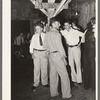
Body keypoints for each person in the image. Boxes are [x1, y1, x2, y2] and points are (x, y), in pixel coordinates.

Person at [43, 18, 72, 99]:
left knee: (53, 75)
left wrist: (49, 50)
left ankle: (53, 93)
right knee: (64, 76)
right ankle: (66, 94)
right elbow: (60, 47)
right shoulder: (57, 34)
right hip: (57, 56)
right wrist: (64, 57)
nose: (60, 25)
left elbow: (45, 45)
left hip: (51, 56)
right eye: (58, 23)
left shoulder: (47, 33)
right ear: (54, 24)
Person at [61, 20, 85, 87]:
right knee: (71, 64)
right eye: (65, 25)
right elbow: (58, 32)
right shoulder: (64, 32)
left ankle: (79, 79)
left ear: (70, 25)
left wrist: (80, 43)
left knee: (77, 64)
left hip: (76, 48)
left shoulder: (75, 31)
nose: (66, 26)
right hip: (69, 49)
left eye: (67, 25)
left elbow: (83, 34)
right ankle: (73, 78)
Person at [29, 23, 49, 91]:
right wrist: (32, 53)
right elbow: (31, 45)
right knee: (36, 69)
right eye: (36, 29)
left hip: (44, 52)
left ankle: (45, 82)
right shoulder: (34, 36)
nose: (37, 30)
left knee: (44, 68)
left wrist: (47, 52)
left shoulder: (45, 35)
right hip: (36, 53)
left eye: (38, 29)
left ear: (42, 28)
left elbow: (48, 44)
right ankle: (36, 83)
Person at [82, 17, 96, 90]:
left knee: (86, 67)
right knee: (93, 68)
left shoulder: (86, 30)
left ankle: (86, 85)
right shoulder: (96, 30)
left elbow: (82, 41)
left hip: (86, 50)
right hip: (93, 50)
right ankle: (94, 86)